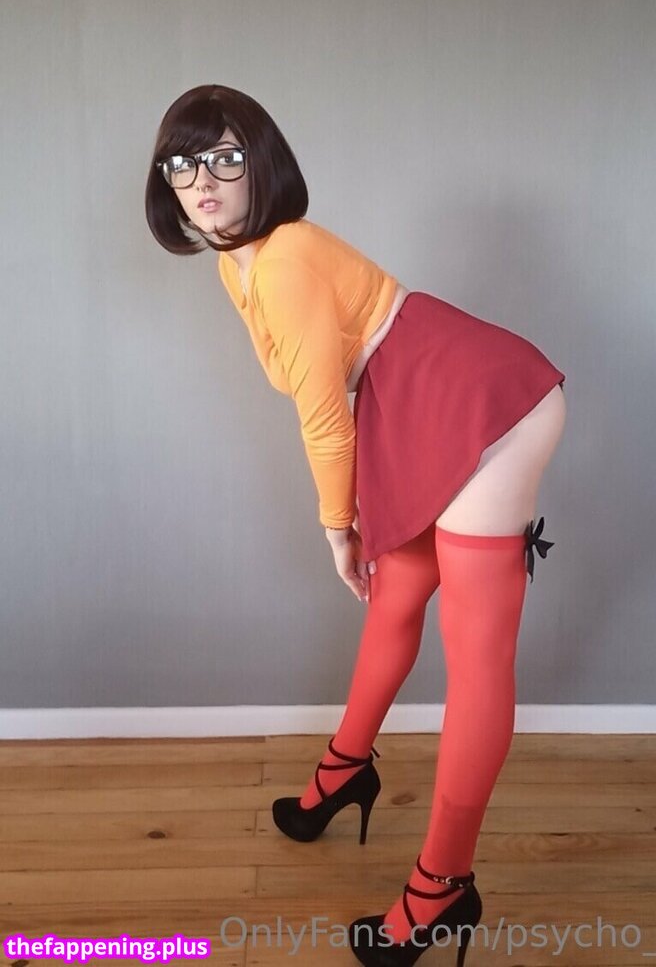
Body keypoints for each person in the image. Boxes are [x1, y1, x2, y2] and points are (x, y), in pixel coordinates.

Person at [146, 84, 567, 966]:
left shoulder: (283, 259)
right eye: (183, 164)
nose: (203, 181)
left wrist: (338, 525)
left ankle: (442, 887)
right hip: (405, 399)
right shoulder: (238, 261)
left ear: (261, 162)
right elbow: (333, 382)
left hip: (477, 398)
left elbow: (323, 417)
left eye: (225, 157)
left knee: (476, 654)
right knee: (396, 599)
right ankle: (345, 770)